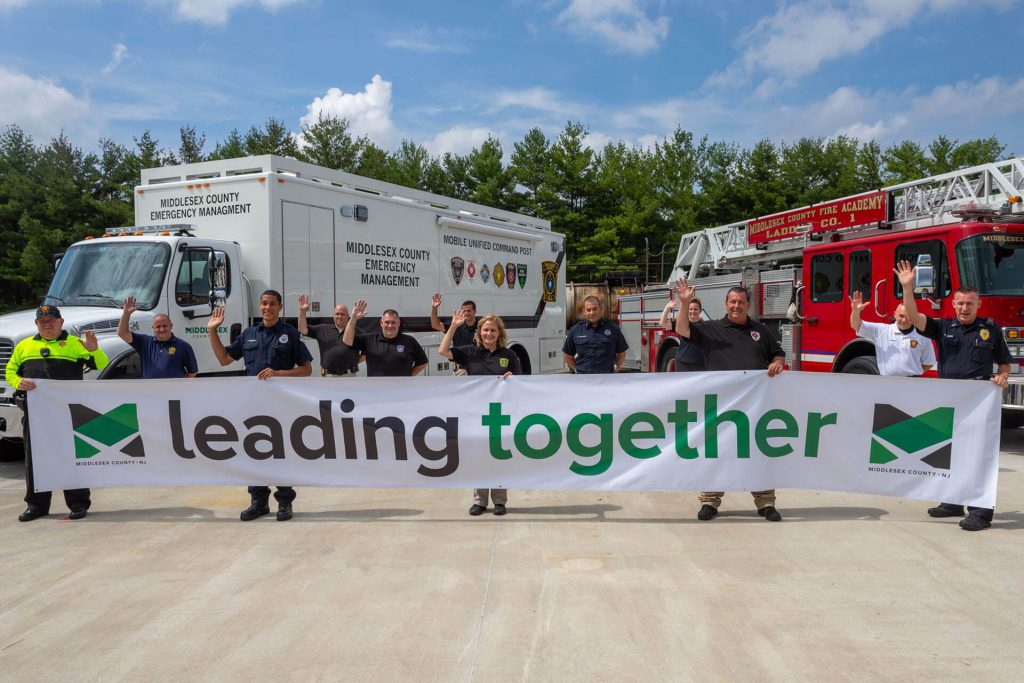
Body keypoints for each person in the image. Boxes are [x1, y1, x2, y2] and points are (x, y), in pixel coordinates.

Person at [896, 260, 1012, 531]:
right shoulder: (943, 327)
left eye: (970, 303)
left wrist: (1002, 377)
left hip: (978, 403)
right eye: (960, 303)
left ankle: (981, 513)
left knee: (978, 456)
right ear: (953, 305)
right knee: (948, 452)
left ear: (979, 305)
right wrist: (907, 287)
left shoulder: (991, 329)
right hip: (948, 400)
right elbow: (913, 316)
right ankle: (952, 502)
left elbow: (1004, 364)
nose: (964, 308)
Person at [675, 279, 786, 522]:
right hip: (720, 404)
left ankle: (766, 502)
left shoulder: (760, 331)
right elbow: (682, 330)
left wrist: (777, 363)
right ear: (726, 304)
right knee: (717, 451)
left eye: (741, 302)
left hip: (754, 404)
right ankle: (710, 501)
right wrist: (684, 304)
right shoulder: (710, 329)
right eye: (732, 302)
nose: (737, 306)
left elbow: (777, 352)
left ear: (748, 305)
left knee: (757, 450)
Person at [208, 290, 313, 522]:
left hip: (281, 405)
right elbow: (224, 360)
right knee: (254, 452)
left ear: (280, 307)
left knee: (280, 452)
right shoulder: (248, 334)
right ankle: (258, 502)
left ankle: (284, 502)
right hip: (252, 406)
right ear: (260, 305)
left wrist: (279, 373)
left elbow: (307, 369)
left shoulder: (289, 334)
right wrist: (212, 330)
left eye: (272, 304)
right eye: (264, 304)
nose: (267, 308)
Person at [5, 304, 109, 522]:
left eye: (51, 321)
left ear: (61, 323)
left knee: (71, 457)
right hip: (36, 413)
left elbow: (101, 364)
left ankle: (78, 503)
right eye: (42, 322)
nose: (47, 325)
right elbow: (10, 371)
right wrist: (18, 382)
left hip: (68, 413)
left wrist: (93, 350)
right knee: (35, 460)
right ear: (36, 324)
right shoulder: (24, 346)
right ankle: (37, 505)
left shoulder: (75, 344)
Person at [438, 309, 521, 516]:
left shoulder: (509, 355)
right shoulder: (470, 352)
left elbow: (521, 382)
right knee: (479, 457)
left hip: (501, 415)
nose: (489, 334)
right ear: (479, 332)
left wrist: (513, 377)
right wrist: (454, 327)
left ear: (499, 333)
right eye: (485, 330)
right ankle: (480, 501)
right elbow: (443, 351)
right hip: (476, 414)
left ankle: (499, 501)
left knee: (499, 457)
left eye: (493, 330)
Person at [849, 292, 935, 376]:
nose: (904, 320)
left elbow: (929, 363)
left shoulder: (923, 336)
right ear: (895, 314)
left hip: (913, 383)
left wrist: (913, 373)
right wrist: (855, 311)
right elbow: (856, 325)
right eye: (901, 316)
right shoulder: (881, 331)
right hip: (887, 382)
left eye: (908, 316)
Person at [117, 297, 198, 379]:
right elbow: (122, 333)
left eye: (164, 326)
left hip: (174, 391)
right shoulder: (144, 342)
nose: (162, 329)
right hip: (150, 390)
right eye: (158, 327)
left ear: (171, 326)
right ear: (153, 328)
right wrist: (126, 314)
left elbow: (192, 372)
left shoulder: (184, 346)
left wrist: (180, 387)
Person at [343, 301, 428, 377]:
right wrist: (353, 318)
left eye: (393, 322)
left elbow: (423, 363)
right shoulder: (369, 339)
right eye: (387, 322)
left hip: (402, 391)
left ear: (398, 323)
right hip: (376, 391)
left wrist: (408, 377)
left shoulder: (410, 341)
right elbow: (347, 340)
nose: (390, 326)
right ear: (381, 323)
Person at [297, 295, 360, 377]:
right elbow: (302, 329)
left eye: (342, 314)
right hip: (328, 376)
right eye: (337, 314)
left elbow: (367, 350)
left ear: (348, 316)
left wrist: (354, 360)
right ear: (333, 316)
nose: (339, 317)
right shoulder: (322, 329)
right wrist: (302, 311)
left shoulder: (357, 331)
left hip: (349, 375)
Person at [562, 296, 628, 374]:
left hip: (607, 379)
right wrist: (577, 369)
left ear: (601, 310)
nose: (592, 313)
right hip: (583, 379)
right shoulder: (575, 330)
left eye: (595, 309)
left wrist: (616, 369)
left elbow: (622, 353)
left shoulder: (613, 328)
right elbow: (567, 356)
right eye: (588, 310)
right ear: (584, 311)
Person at [430, 293, 477, 376]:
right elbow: (435, 325)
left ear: (475, 311)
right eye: (464, 311)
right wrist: (434, 308)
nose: (466, 313)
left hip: (477, 367)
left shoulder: (482, 327)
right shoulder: (456, 326)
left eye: (469, 310)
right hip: (460, 369)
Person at [658, 296, 706, 372]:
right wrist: (667, 308)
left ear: (700, 311)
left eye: (695, 309)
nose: (693, 311)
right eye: (690, 309)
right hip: (683, 363)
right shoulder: (681, 324)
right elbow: (662, 323)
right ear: (687, 310)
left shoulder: (705, 326)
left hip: (700, 364)